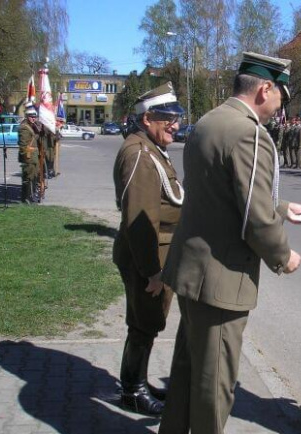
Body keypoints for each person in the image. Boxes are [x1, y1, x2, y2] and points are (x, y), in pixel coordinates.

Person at [156, 52, 301, 434]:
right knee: (216, 380)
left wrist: (283, 209)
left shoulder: (209, 121)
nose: (281, 106)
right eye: (282, 96)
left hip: (192, 268)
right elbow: (254, 217)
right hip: (221, 277)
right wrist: (283, 256)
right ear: (266, 89)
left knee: (189, 365)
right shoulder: (250, 134)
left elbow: (220, 198)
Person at [112, 82, 184, 416]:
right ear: (146, 119)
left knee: (146, 323)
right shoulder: (139, 154)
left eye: (176, 117)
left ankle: (136, 382)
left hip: (156, 255)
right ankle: (133, 390)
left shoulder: (149, 148)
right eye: (166, 117)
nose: (175, 124)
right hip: (148, 258)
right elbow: (140, 220)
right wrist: (152, 271)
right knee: (144, 323)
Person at [18, 103, 41, 204]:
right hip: (29, 157)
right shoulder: (24, 128)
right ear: (27, 117)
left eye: (35, 117)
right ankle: (26, 198)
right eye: (31, 117)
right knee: (28, 178)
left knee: (33, 176)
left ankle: (31, 196)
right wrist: (26, 158)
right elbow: (23, 145)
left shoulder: (31, 126)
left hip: (33, 157)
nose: (33, 119)